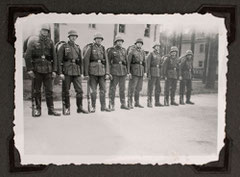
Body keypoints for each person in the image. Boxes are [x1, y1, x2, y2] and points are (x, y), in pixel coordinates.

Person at [24, 24, 60, 117]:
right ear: (40, 31)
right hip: (37, 70)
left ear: (48, 32)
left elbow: (54, 57)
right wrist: (30, 69)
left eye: (46, 31)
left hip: (48, 69)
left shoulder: (50, 42)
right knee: (37, 91)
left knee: (49, 91)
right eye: (43, 30)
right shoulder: (33, 41)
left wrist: (54, 70)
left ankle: (51, 110)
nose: (45, 32)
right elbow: (28, 56)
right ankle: (37, 109)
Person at [57, 30, 88, 115]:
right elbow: (59, 60)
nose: (73, 37)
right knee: (66, 91)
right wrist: (60, 73)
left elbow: (81, 61)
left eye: (75, 36)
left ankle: (80, 107)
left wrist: (81, 73)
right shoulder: (63, 46)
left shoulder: (77, 47)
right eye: (72, 36)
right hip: (67, 71)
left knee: (80, 90)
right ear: (69, 37)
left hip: (76, 71)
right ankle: (67, 108)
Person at [83, 32, 111, 112]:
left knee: (103, 90)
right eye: (97, 39)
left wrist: (107, 73)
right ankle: (93, 107)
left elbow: (106, 62)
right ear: (95, 40)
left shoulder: (103, 48)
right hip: (92, 72)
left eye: (100, 39)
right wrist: (86, 73)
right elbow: (86, 60)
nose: (99, 40)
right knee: (93, 91)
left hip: (102, 72)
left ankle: (103, 107)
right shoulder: (90, 47)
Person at [107, 35, 129, 111]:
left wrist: (127, 71)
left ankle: (123, 104)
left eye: (121, 41)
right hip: (114, 71)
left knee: (122, 89)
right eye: (118, 41)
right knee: (112, 89)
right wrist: (108, 73)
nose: (120, 43)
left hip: (123, 71)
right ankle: (111, 103)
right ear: (115, 42)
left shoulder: (124, 50)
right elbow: (108, 62)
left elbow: (127, 62)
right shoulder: (111, 50)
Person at [127, 38, 147, 109]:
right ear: (135, 44)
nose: (139, 44)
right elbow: (128, 62)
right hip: (134, 71)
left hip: (141, 71)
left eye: (141, 43)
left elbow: (144, 62)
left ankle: (137, 102)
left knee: (139, 88)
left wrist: (145, 72)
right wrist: (128, 72)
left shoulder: (142, 52)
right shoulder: (132, 51)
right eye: (138, 43)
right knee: (132, 87)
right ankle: (129, 102)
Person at [146, 42, 164, 107]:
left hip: (158, 73)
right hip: (152, 72)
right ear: (154, 47)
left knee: (158, 88)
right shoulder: (151, 54)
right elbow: (148, 64)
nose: (158, 47)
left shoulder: (159, 55)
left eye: (159, 46)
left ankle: (157, 102)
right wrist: (148, 74)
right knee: (150, 88)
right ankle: (149, 102)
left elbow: (160, 64)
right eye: (156, 46)